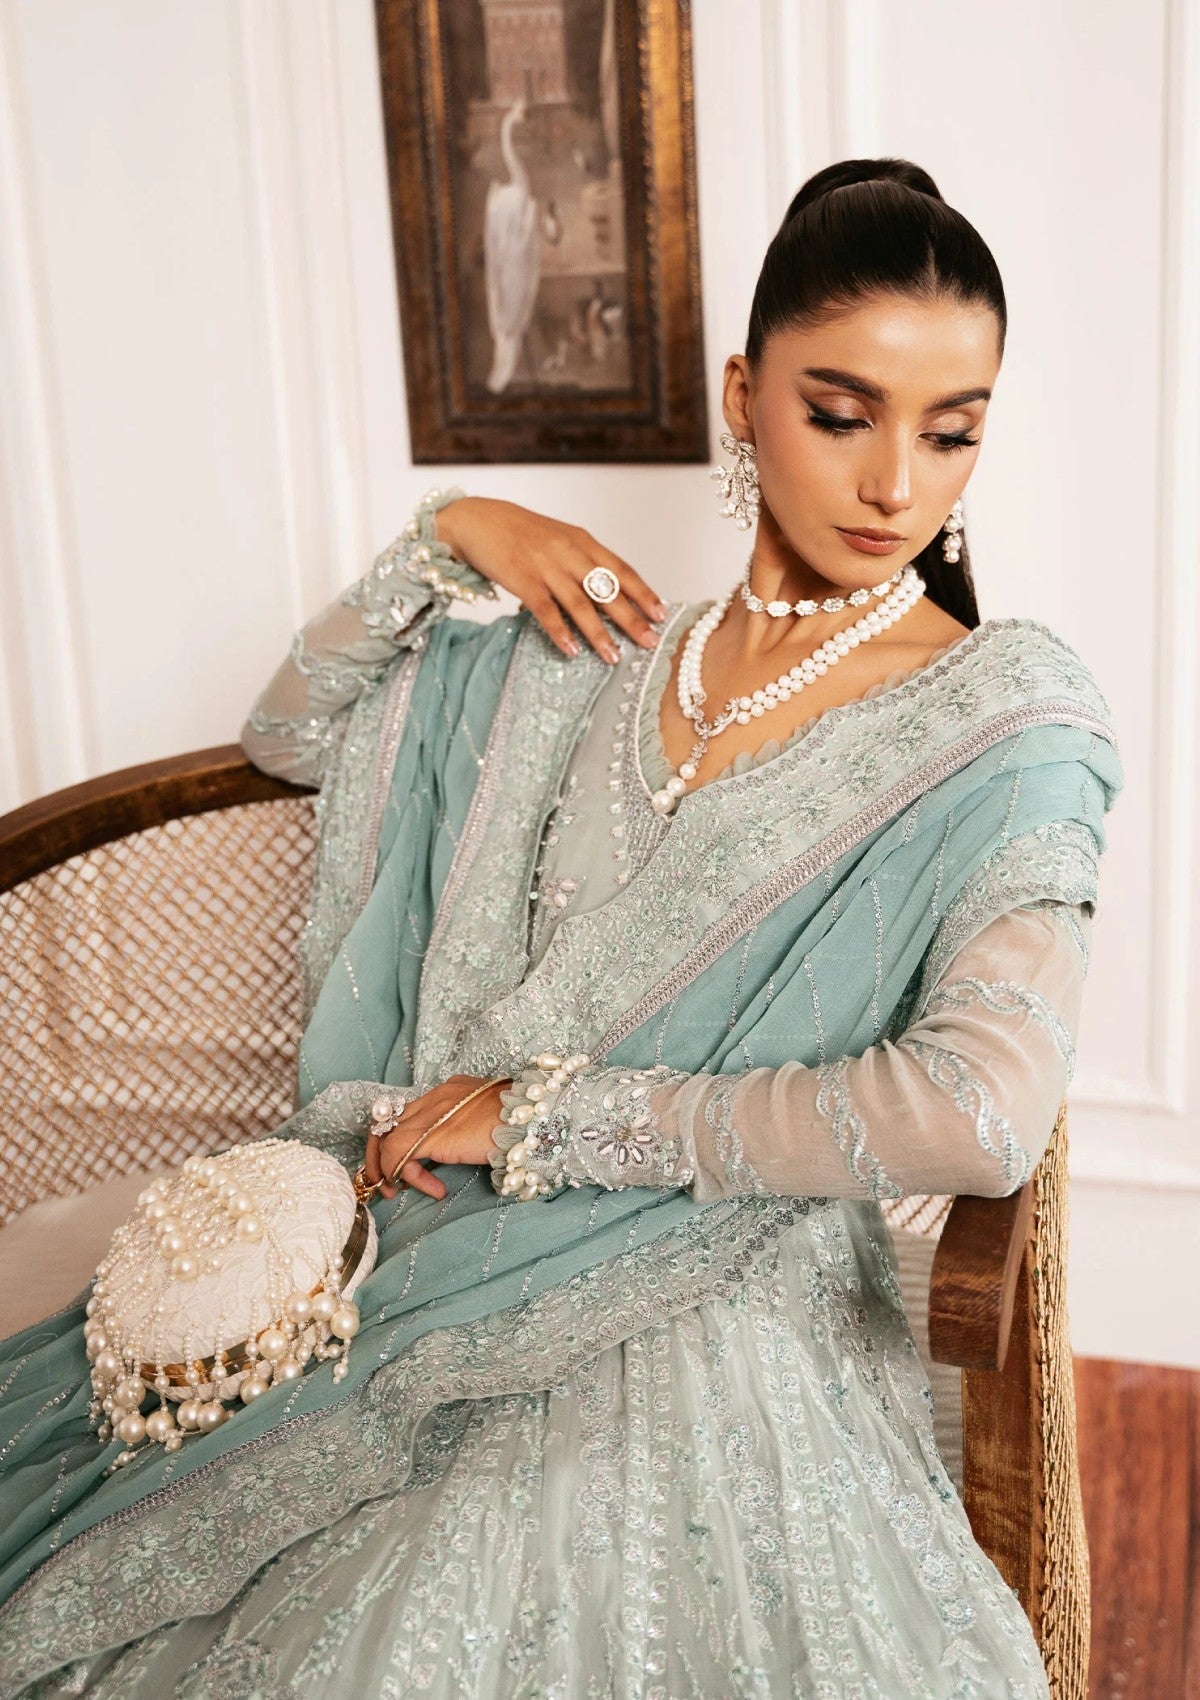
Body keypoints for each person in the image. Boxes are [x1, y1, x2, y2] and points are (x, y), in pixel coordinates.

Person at [0, 157, 1121, 1698]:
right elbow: (289, 731)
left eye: (951, 431)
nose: (894, 488)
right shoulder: (589, 654)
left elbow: (981, 1113)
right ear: (743, 398)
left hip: (726, 1289)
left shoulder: (1004, 715)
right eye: (841, 413)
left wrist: (542, 1120)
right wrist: (453, 533)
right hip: (428, 1230)